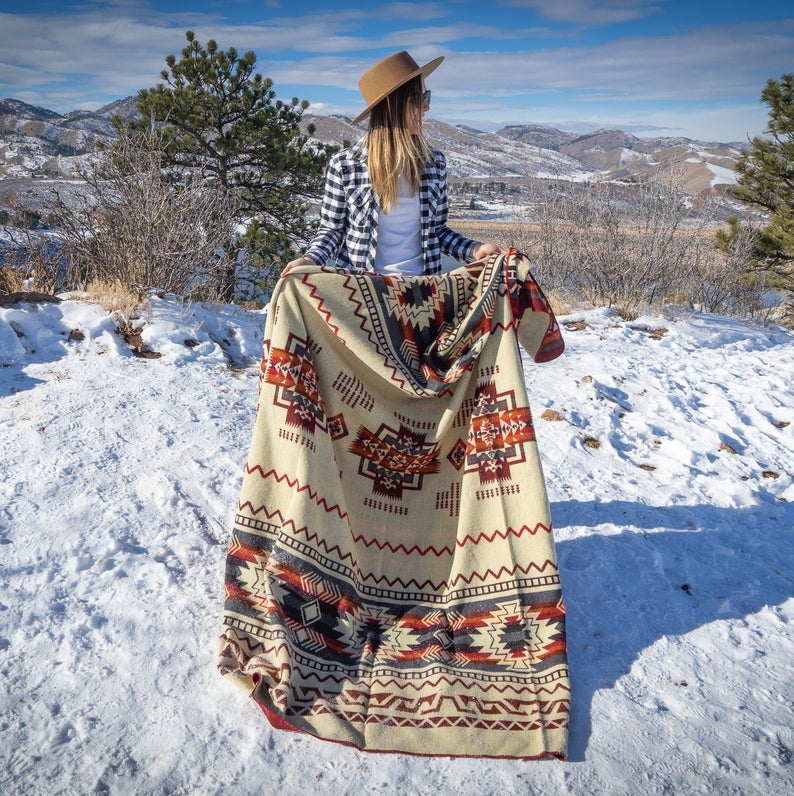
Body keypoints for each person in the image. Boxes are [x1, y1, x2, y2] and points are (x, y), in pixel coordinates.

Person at [285, 50, 501, 276]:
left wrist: (475, 249)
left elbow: (436, 230)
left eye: (428, 97)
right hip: (363, 290)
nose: (427, 107)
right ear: (392, 106)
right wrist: (310, 258)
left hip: (424, 290)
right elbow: (331, 230)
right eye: (420, 99)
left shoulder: (434, 163)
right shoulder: (345, 165)